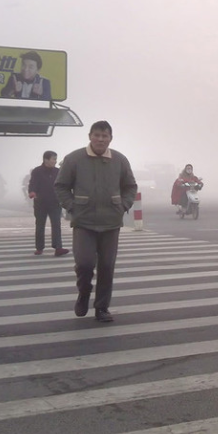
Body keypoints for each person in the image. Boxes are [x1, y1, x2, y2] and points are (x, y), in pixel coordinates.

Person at [55, 121, 137, 323]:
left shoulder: (119, 160)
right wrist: (72, 206)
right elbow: (61, 186)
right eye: (97, 135)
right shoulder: (74, 159)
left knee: (107, 266)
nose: (101, 139)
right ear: (90, 136)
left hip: (111, 222)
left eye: (105, 136)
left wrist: (123, 206)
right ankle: (84, 293)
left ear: (110, 138)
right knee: (84, 263)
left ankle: (102, 307)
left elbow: (130, 186)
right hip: (84, 222)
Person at [29, 150, 70, 257]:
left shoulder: (58, 171)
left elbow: (63, 184)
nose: (55, 161)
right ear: (46, 159)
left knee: (56, 225)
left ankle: (58, 248)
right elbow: (33, 183)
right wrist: (32, 192)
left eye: (56, 159)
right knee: (40, 225)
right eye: (53, 159)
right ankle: (39, 247)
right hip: (40, 202)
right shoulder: (37, 171)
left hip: (55, 202)